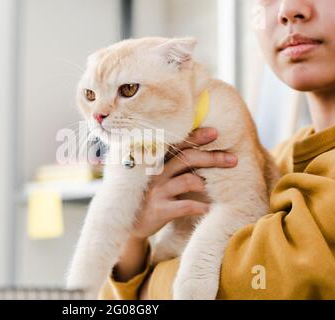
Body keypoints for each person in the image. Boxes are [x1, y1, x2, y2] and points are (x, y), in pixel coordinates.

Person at [99, 0, 335, 299]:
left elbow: (259, 285)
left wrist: (145, 285)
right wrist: (132, 234)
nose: (288, 9)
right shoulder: (276, 159)